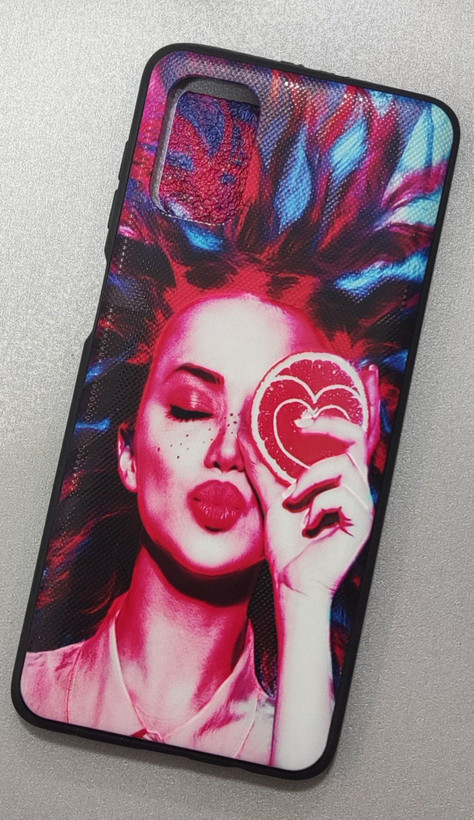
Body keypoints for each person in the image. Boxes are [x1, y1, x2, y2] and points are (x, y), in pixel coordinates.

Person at [21, 293, 379, 771]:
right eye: (191, 409)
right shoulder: (30, 694)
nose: (227, 451)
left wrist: (305, 596)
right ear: (129, 453)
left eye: (269, 424)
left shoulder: (299, 740)